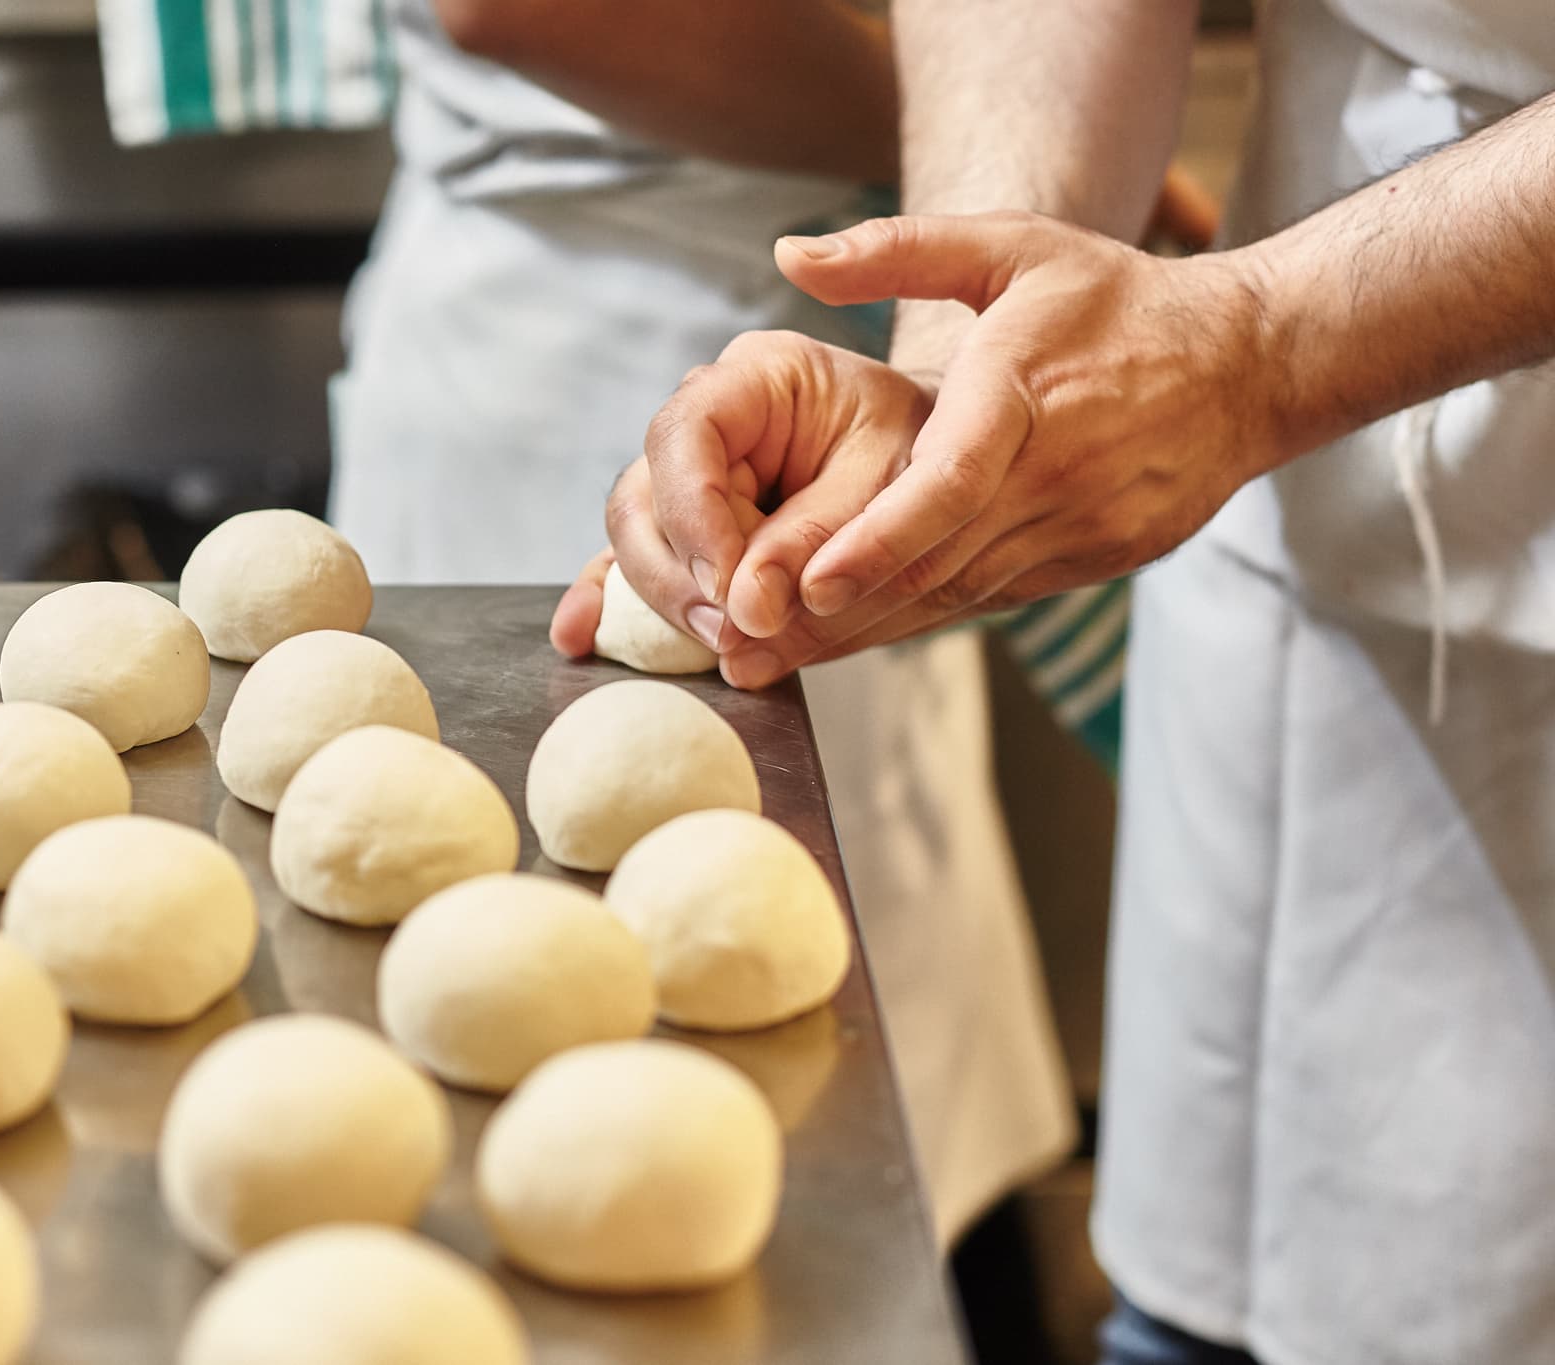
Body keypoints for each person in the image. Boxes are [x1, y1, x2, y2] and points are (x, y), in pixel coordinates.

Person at [591, 4, 1555, 1363]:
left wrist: (1272, 340)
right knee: (1205, 1306)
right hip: (1312, 534)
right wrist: (959, 380)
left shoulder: (1260, 344)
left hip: (1297, 337)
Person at [99, 0, 1084, 1255]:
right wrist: (1022, 121)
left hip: (837, 386)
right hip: (599, 361)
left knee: (825, 1124)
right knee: (506, 1069)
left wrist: (1022, 150)